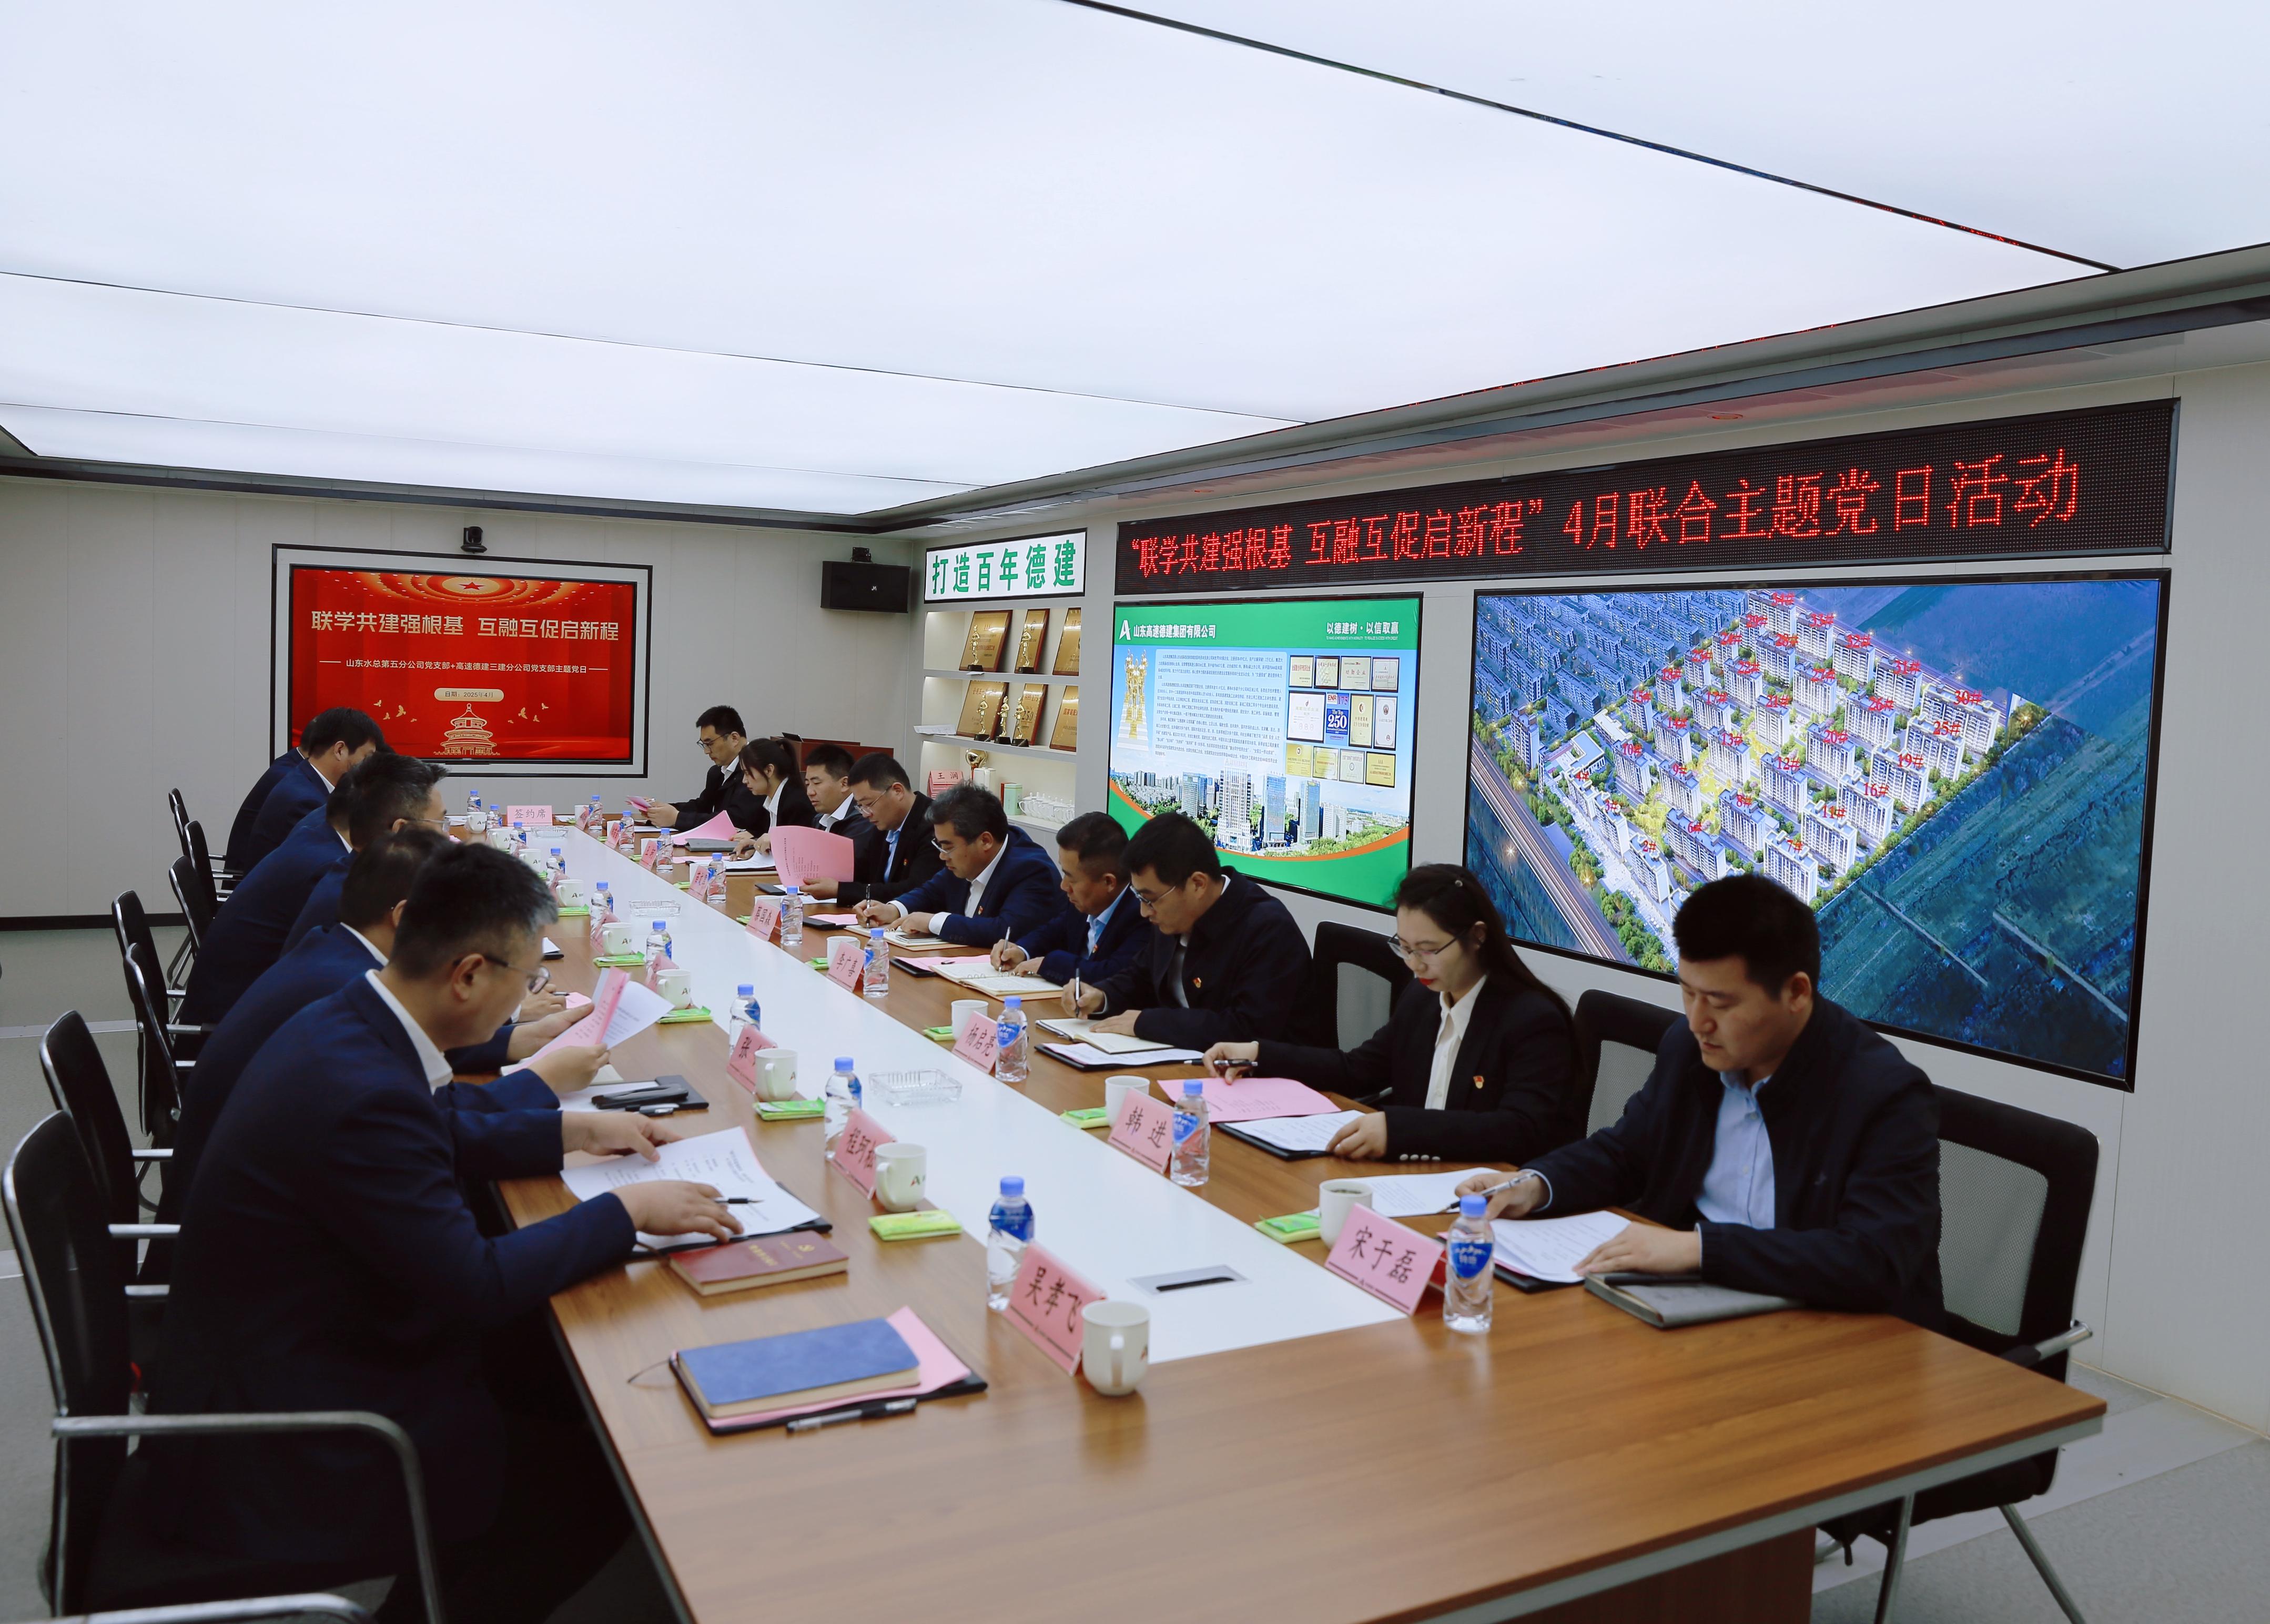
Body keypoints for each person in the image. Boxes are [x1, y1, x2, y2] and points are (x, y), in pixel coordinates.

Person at [134, 844, 741, 1622]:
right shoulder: (363, 1090)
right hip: (290, 1435)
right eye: (527, 979)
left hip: (291, 1342)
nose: (528, 999)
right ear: (469, 976)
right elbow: (476, 1283)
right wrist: (626, 1213)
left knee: (553, 1373)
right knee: (600, 1476)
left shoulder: (351, 1013)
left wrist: (575, 1130)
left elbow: (434, 1125)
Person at [1456, 874, 1943, 1324]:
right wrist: (1535, 1185)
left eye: (1721, 1003)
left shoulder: (1883, 1094)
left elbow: (1872, 1259)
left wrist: (1699, 1249)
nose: (1697, 1021)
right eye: (1688, 993)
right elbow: (1626, 1152)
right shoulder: (1689, 1050)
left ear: (1796, 993)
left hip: (1836, 1330)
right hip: (1696, 1304)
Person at [161, 829, 599, 1224]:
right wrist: (623, 1207)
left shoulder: (340, 961)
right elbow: (469, 1271)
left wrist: (533, 1060)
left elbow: (427, 1118)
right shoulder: (339, 989)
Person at [1203, 864, 1583, 1164]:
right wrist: (1259, 1054)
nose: (1415, 964)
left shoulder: (1532, 1020)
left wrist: (1400, 1130)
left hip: (1487, 1192)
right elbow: (1357, 1070)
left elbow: (1518, 1130)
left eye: (1428, 950)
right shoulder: (1423, 999)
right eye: (1405, 947)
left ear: (1478, 936)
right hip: (1415, 1175)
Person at [178, 754, 447, 1024]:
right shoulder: (333, 882)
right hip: (231, 1019)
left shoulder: (328, 846)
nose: (447, 837)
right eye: (440, 824)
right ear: (401, 831)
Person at [1069, 811, 1309, 1048]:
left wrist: (1149, 1023)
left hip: (1258, 1071)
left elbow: (1245, 1031)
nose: (1144, 912)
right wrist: (1102, 996)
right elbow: (1141, 977)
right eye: (1140, 898)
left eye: (1150, 899)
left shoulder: (1268, 930)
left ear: (1198, 884)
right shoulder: (1172, 913)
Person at [851, 786, 1068, 947]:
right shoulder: (963, 860)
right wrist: (893, 909)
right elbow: (931, 892)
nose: (942, 855)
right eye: (939, 845)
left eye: (947, 847)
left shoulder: (1031, 870)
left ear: (985, 841)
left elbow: (1005, 931)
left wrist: (934, 922)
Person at [989, 811, 1147, 988]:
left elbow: (1113, 974)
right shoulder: (1084, 903)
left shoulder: (1142, 914)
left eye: (1071, 878)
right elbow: (1053, 931)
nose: (1064, 886)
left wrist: (1049, 964)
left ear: (1109, 882)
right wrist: (1021, 950)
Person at [228, 707, 387, 874]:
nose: (370, 767)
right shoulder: (304, 802)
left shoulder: (304, 778)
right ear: (340, 750)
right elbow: (331, 868)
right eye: (367, 758)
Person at [813, 753, 943, 905]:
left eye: (869, 804)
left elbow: (915, 890)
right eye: (860, 806)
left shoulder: (935, 825)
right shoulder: (884, 825)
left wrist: (840, 890)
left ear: (897, 791)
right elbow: (863, 873)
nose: (865, 814)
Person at [643, 705, 761, 833]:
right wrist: (661, 810)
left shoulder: (757, 770)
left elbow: (735, 820)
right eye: (704, 745)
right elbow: (703, 806)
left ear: (734, 739)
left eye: (710, 744)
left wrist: (677, 818)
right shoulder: (717, 772)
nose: (706, 751)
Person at [729, 737, 817, 851]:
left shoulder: (796, 805)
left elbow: (796, 851)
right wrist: (755, 846)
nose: (744, 780)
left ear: (769, 770)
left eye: (748, 773)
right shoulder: (772, 800)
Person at [800, 743, 874, 848]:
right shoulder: (819, 820)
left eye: (817, 783)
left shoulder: (864, 820)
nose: (810, 792)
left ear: (845, 784)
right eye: (808, 784)